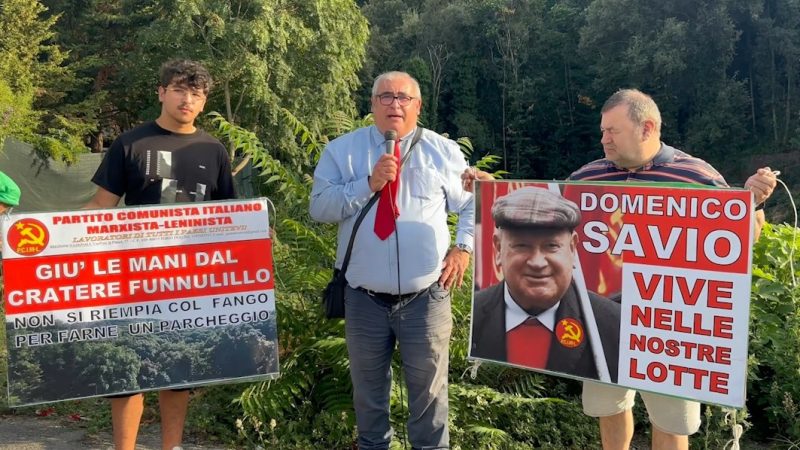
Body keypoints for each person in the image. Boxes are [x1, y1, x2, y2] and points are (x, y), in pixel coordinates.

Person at [462, 89, 777, 450]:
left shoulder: (696, 174)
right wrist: (495, 192)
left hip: (671, 321)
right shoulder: (587, 176)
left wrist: (753, 201)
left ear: (647, 128)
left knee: (671, 421)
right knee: (609, 407)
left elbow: (741, 240)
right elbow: (545, 218)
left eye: (612, 131)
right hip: (601, 316)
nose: (603, 139)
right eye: (602, 131)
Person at [310, 71, 474, 450]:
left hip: (427, 297)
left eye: (403, 97)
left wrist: (463, 248)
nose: (394, 104)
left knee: (429, 399)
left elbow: (470, 205)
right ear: (372, 105)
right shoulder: (341, 150)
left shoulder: (442, 151)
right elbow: (319, 208)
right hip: (363, 298)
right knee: (368, 397)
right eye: (385, 96)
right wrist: (367, 184)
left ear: (418, 106)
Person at [85, 59, 236, 450]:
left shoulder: (213, 149)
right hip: (133, 277)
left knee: (178, 371)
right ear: (162, 92)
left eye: (197, 94)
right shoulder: (130, 143)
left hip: (189, 281)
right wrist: (47, 242)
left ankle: (172, 447)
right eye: (180, 90)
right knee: (127, 372)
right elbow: (101, 205)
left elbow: (229, 216)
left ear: (204, 102)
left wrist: (256, 234)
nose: (188, 100)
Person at [470, 186, 621, 382]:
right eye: (521, 246)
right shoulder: (471, 316)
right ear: (498, 249)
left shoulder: (613, 326)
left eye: (551, 246)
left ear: (573, 248)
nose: (537, 262)